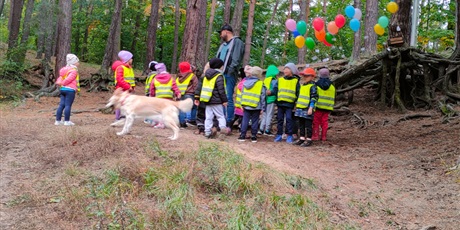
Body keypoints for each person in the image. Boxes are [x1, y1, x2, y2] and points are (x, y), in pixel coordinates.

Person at [216, 24, 245, 128]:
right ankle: (220, 120)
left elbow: (236, 59)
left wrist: (230, 70)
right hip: (219, 74)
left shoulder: (237, 42)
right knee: (220, 97)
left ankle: (228, 121)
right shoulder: (223, 45)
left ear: (227, 32)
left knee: (228, 97)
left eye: (221, 32)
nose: (220, 35)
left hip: (229, 74)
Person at [195, 58, 231, 139]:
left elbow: (201, 88)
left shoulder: (205, 76)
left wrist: (197, 98)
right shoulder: (219, 76)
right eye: (222, 66)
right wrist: (224, 100)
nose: (222, 67)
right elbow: (221, 90)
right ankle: (223, 130)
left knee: (208, 117)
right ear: (219, 66)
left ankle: (207, 132)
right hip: (217, 101)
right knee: (220, 116)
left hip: (207, 100)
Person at [273, 63, 300, 143]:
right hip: (280, 103)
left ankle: (289, 135)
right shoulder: (280, 80)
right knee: (280, 119)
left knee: (289, 119)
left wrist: (297, 103)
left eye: (287, 69)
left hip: (290, 104)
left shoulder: (295, 81)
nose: (285, 70)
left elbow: (298, 93)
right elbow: (275, 89)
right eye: (284, 69)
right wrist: (270, 92)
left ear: (292, 71)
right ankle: (279, 135)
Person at [149, 63, 182, 129]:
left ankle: (159, 123)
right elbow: (174, 87)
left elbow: (152, 89)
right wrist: (178, 93)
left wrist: (151, 96)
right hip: (168, 98)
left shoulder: (155, 79)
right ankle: (167, 123)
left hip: (158, 98)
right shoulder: (170, 78)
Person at [238, 66, 266, 143]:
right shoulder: (260, 84)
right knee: (255, 121)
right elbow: (263, 96)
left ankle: (242, 135)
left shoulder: (245, 83)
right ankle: (253, 136)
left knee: (245, 120)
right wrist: (263, 108)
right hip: (256, 106)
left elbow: (242, 94)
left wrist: (241, 104)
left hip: (246, 104)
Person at [293, 68, 318, 147]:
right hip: (300, 108)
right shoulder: (303, 85)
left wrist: (311, 107)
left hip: (307, 109)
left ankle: (309, 139)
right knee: (301, 124)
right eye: (304, 76)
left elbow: (314, 98)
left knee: (308, 125)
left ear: (312, 77)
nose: (304, 77)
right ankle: (302, 138)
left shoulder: (313, 86)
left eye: (307, 76)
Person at [55, 54, 80, 126]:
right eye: (77, 61)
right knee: (68, 105)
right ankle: (67, 121)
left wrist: (61, 84)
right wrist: (64, 83)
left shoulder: (64, 70)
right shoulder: (74, 70)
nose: (79, 63)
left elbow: (61, 77)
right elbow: (69, 79)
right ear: (74, 62)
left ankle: (58, 120)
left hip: (62, 89)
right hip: (70, 90)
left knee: (61, 105)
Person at [312, 68, 335, 141]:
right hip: (327, 107)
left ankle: (315, 136)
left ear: (319, 75)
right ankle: (324, 137)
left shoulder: (317, 84)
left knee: (316, 122)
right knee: (324, 122)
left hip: (318, 106)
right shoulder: (332, 86)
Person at [112, 50, 135, 120]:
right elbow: (119, 79)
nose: (132, 60)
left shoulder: (129, 68)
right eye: (131, 58)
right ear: (127, 59)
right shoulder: (121, 68)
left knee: (126, 103)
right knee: (119, 103)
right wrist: (128, 87)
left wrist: (132, 87)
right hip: (121, 89)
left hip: (128, 89)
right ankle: (117, 118)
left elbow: (131, 79)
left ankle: (124, 116)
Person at [258, 64, 279, 136]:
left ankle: (261, 129)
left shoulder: (265, 80)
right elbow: (275, 90)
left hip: (264, 99)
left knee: (264, 114)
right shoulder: (274, 81)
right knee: (269, 115)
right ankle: (267, 130)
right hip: (271, 99)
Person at [176, 61, 198, 128]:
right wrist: (196, 95)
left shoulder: (178, 77)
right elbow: (196, 86)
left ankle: (182, 122)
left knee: (182, 109)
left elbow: (175, 87)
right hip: (190, 94)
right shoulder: (192, 76)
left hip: (180, 95)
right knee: (194, 107)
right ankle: (192, 120)